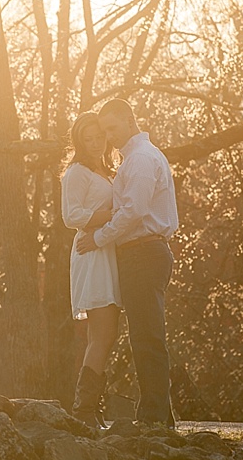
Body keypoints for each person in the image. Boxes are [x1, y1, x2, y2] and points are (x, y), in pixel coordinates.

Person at [75, 98, 179, 427]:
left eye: (111, 128)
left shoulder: (141, 159)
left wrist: (99, 237)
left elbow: (133, 212)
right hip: (138, 254)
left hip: (144, 252)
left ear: (129, 121)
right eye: (104, 130)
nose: (108, 136)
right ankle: (161, 417)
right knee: (145, 336)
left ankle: (153, 418)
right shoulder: (133, 158)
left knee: (147, 337)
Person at [61, 113, 122, 428]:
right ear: (80, 142)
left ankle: (90, 408)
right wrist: (113, 214)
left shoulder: (108, 170)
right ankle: (84, 410)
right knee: (102, 334)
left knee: (106, 335)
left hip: (107, 250)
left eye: (99, 135)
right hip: (90, 253)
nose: (96, 142)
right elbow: (72, 216)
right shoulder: (77, 173)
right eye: (88, 138)